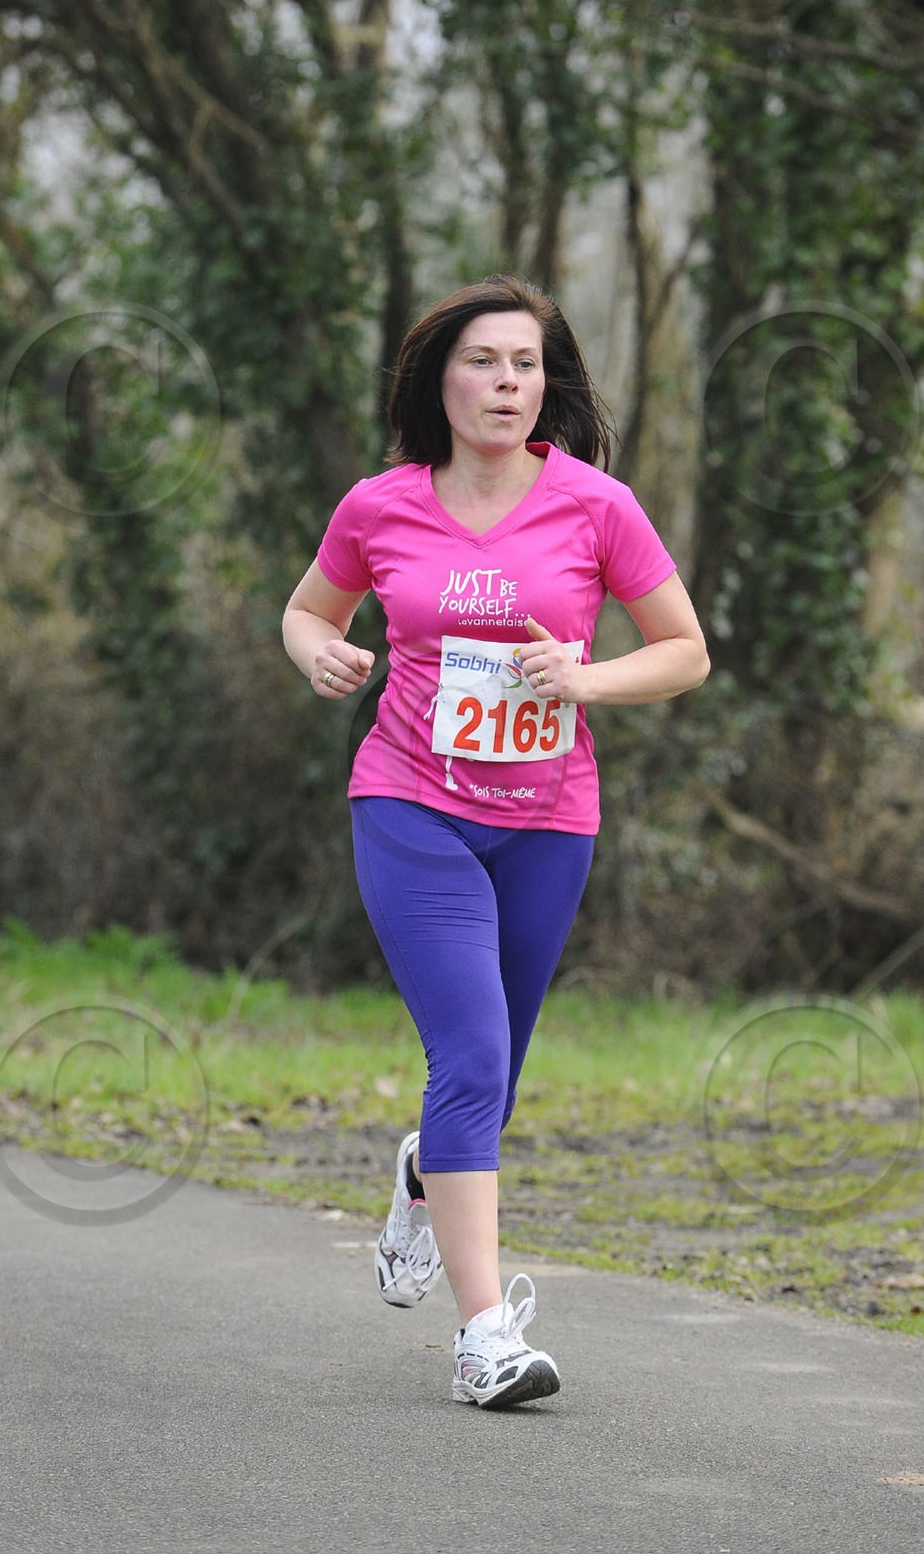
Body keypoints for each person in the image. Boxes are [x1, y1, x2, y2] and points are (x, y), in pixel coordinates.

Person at [282, 275, 709, 1409]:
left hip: (548, 821)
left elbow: (684, 650)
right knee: (469, 1056)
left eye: (525, 363)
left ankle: (426, 1168)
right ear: (441, 379)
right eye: (482, 360)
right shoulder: (379, 505)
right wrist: (319, 653)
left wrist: (586, 676)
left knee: (494, 1074)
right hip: (410, 802)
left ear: (545, 383)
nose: (506, 382)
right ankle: (484, 1337)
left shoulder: (596, 506)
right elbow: (310, 608)